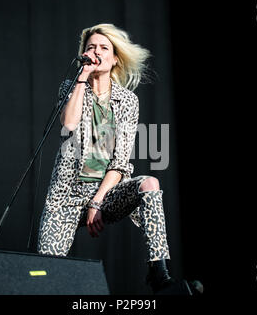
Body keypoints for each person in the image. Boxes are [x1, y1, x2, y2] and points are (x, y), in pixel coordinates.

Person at [37, 23, 201, 295]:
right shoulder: (70, 86)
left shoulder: (128, 101)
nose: (96, 52)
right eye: (90, 47)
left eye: (104, 48)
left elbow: (121, 163)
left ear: (115, 58)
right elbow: (68, 125)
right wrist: (82, 78)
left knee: (150, 183)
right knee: (46, 273)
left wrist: (97, 201)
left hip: (106, 191)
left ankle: (158, 272)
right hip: (64, 196)